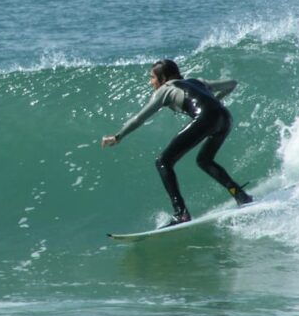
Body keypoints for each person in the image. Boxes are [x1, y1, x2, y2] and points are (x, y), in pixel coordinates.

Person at [101, 59, 253, 227]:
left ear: (163, 78)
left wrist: (118, 136)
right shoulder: (197, 82)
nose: (151, 82)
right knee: (204, 160)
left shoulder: (165, 89)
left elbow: (139, 118)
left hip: (206, 118)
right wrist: (214, 102)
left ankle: (181, 214)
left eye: (152, 77)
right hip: (225, 117)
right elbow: (232, 84)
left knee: (163, 162)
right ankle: (240, 195)